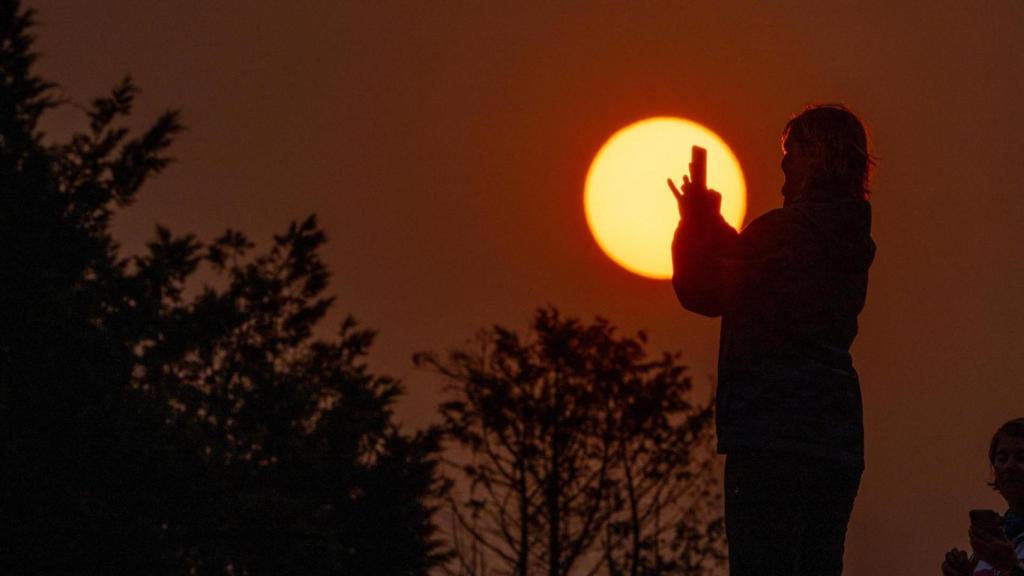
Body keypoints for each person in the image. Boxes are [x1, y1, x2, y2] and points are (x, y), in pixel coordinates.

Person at [668, 104, 876, 575]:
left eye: (791, 154)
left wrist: (692, 224)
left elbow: (705, 288)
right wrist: (710, 225)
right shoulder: (847, 235)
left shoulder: (785, 231)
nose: (782, 167)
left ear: (816, 155)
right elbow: (752, 268)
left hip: (772, 431)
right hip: (834, 434)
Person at [942, 418, 1024, 576]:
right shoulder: (996, 541)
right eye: (1002, 458)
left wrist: (1010, 567)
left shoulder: (998, 549)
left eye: (1021, 458)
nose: (1009, 466)